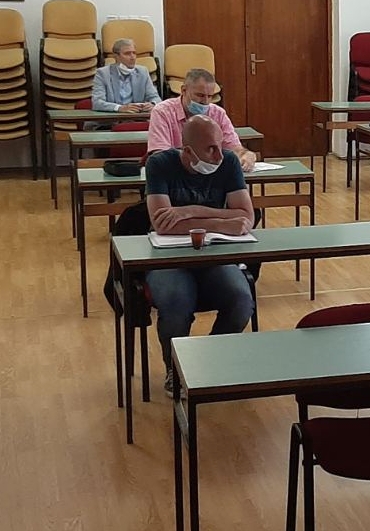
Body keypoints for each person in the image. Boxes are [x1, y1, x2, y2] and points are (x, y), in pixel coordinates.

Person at [144, 116, 257, 397]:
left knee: (241, 300)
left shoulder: (228, 163)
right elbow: (162, 224)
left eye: (219, 146)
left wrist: (188, 211)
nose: (218, 155)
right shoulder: (159, 164)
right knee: (176, 302)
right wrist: (221, 222)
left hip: (214, 254)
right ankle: (176, 369)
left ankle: (208, 361)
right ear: (187, 151)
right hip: (168, 257)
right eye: (210, 149)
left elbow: (246, 216)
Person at [146, 68, 257, 172]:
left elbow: (233, 147)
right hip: (175, 174)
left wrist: (245, 154)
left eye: (210, 96)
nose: (205, 102)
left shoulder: (218, 113)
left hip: (211, 175)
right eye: (200, 95)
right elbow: (160, 155)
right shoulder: (162, 112)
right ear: (184, 90)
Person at [91, 38, 160, 114]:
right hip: (112, 119)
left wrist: (152, 104)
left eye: (134, 53)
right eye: (127, 53)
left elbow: (155, 98)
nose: (132, 57)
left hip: (135, 117)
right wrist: (119, 108)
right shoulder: (103, 73)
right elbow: (97, 103)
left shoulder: (142, 72)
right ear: (116, 56)